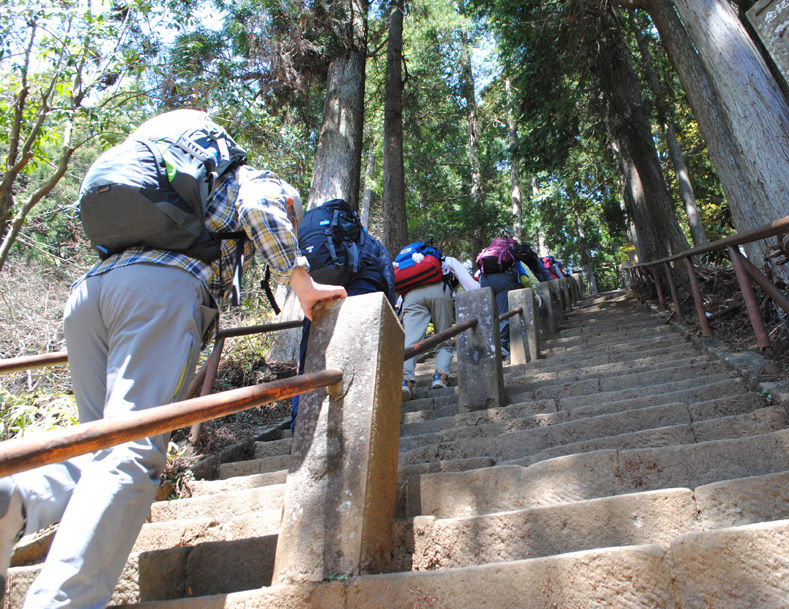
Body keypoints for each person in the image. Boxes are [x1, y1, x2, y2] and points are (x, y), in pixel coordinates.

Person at [0, 110, 346, 609]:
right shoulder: (250, 180)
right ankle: (62, 602)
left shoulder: (169, 185)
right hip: (157, 295)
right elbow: (259, 205)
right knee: (131, 453)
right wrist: (302, 282)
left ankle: (14, 496)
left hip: (91, 295)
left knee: (98, 448)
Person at [290, 202, 394, 428]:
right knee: (362, 357)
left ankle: (301, 423)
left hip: (318, 295)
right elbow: (388, 282)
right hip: (362, 293)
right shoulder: (371, 243)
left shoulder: (318, 241)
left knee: (310, 359)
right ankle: (360, 421)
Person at [398, 246, 478, 400]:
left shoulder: (410, 266)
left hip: (411, 296)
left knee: (411, 342)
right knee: (443, 336)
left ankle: (405, 381)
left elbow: (400, 297)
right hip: (439, 292)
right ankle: (439, 376)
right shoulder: (446, 260)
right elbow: (471, 286)